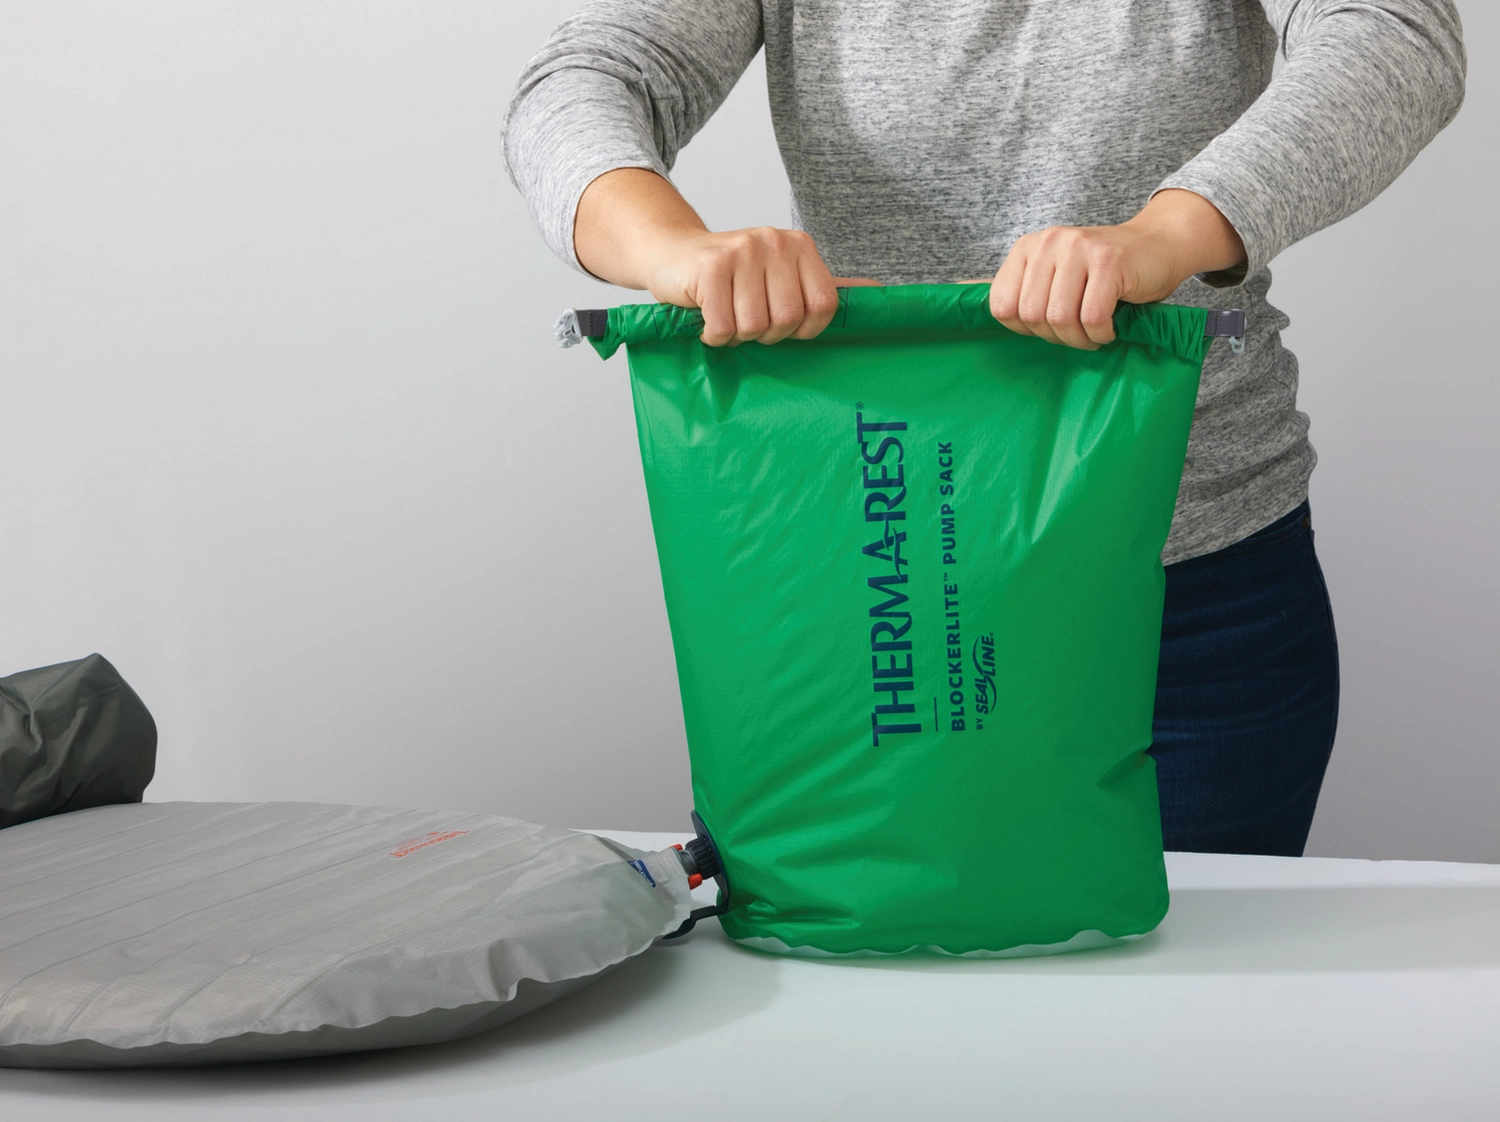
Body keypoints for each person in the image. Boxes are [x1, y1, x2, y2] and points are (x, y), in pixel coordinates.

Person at [502, 0, 1467, 856]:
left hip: (1194, 598)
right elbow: (584, 79)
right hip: (878, 591)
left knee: (1184, 993)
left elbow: (1396, 30)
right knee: (861, 989)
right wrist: (675, 250)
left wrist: (1164, 236)